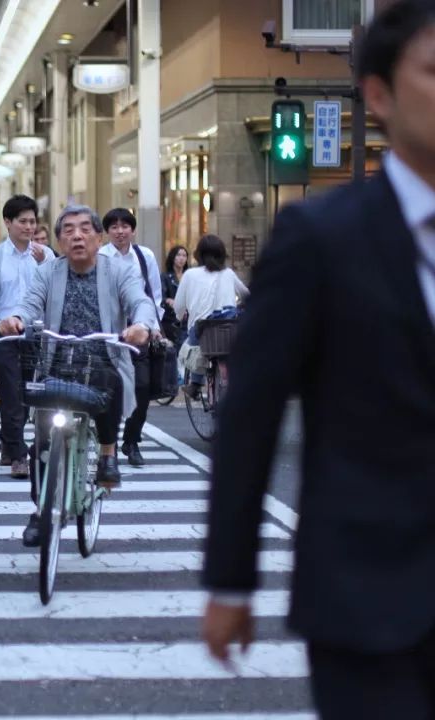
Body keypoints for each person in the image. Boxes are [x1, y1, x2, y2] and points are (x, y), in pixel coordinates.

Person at [202, 3, 435, 717]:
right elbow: (253, 412)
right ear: (379, 96)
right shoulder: (319, 237)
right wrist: (231, 581)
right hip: (368, 597)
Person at [0, 205, 156, 545]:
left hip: (102, 359)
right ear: (58, 240)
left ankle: (109, 456)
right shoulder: (48, 272)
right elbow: (30, 302)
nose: (77, 236)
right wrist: (16, 319)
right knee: (42, 440)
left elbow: (140, 300)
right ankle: (41, 511)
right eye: (68, 230)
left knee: (110, 380)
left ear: (99, 238)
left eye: (85, 229)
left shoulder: (117, 271)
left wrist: (141, 325)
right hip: (55, 364)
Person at [0, 195, 55, 478]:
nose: (29, 227)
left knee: (32, 396)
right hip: (3, 336)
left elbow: (53, 296)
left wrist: (47, 260)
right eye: (23, 221)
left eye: (33, 221)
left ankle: (11, 446)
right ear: (8, 223)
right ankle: (19, 455)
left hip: (36, 336)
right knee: (11, 395)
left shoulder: (46, 256)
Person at [99, 208, 163, 467]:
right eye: (113, 227)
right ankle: (108, 444)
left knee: (142, 388)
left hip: (139, 334)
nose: (120, 231)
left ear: (133, 229)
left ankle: (132, 440)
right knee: (108, 390)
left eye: (125, 226)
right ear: (107, 232)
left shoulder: (144, 256)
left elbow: (154, 293)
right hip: (109, 334)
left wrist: (152, 324)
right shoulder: (101, 257)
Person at [173, 235, 249, 393]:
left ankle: (195, 384)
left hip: (201, 328)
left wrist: (179, 317)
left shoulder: (190, 275)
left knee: (195, 348)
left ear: (198, 254)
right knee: (228, 348)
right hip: (228, 327)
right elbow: (246, 295)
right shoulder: (228, 273)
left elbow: (179, 305)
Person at [160, 244, 189, 345]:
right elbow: (161, 297)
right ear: (173, 257)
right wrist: (169, 301)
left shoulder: (189, 276)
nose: (181, 258)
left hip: (187, 319)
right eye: (178, 255)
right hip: (171, 320)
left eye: (184, 255)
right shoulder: (165, 277)